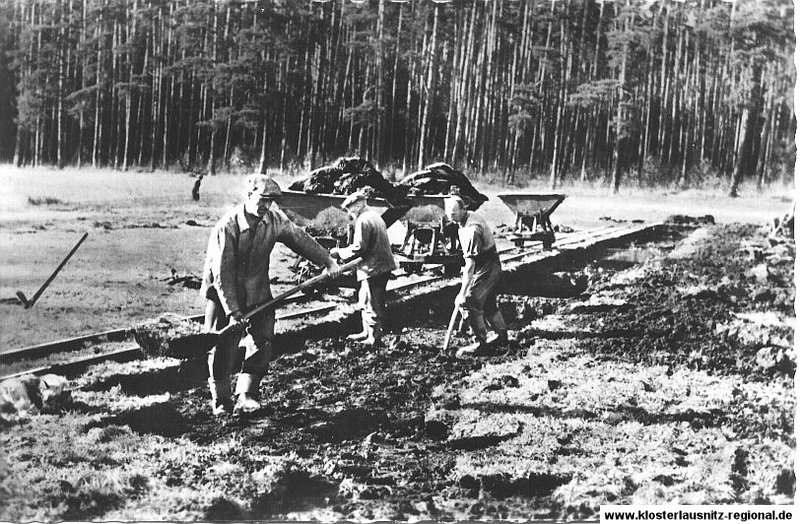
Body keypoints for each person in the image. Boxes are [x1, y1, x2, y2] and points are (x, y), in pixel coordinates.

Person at [200, 174, 341, 416]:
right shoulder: (228, 227)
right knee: (223, 345)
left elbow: (300, 239)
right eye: (263, 199)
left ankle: (247, 394)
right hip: (223, 295)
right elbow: (222, 275)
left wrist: (327, 261)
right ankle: (221, 400)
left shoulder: (274, 220)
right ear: (248, 195)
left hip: (257, 290)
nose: (266, 206)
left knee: (263, 340)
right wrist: (234, 313)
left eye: (271, 201)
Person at [330, 190, 397, 347]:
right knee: (366, 299)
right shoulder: (374, 216)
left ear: (359, 205)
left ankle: (374, 337)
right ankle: (366, 332)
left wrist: (339, 253)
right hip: (379, 266)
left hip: (374, 268)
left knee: (372, 302)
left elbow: (359, 248)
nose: (349, 212)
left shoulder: (363, 220)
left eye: (350, 208)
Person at [444, 195, 508, 357]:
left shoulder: (472, 229)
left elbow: (470, 265)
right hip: (485, 264)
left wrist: (461, 293)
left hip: (488, 266)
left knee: (470, 301)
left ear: (463, 209)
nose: (450, 215)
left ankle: (480, 343)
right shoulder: (463, 221)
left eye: (454, 212)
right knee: (487, 302)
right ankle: (501, 336)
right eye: (448, 212)